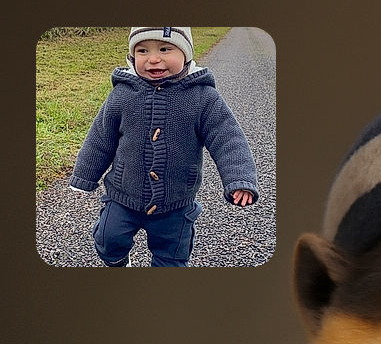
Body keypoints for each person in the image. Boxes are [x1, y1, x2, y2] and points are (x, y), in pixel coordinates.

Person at [70, 26, 258, 267]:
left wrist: (239, 178)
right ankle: (118, 262)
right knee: (109, 239)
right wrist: (84, 175)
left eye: (165, 49)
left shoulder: (203, 98)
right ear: (132, 56)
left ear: (186, 54)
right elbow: (100, 138)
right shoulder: (122, 95)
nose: (153, 59)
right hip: (123, 196)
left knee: (172, 258)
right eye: (142, 50)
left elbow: (228, 139)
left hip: (176, 203)